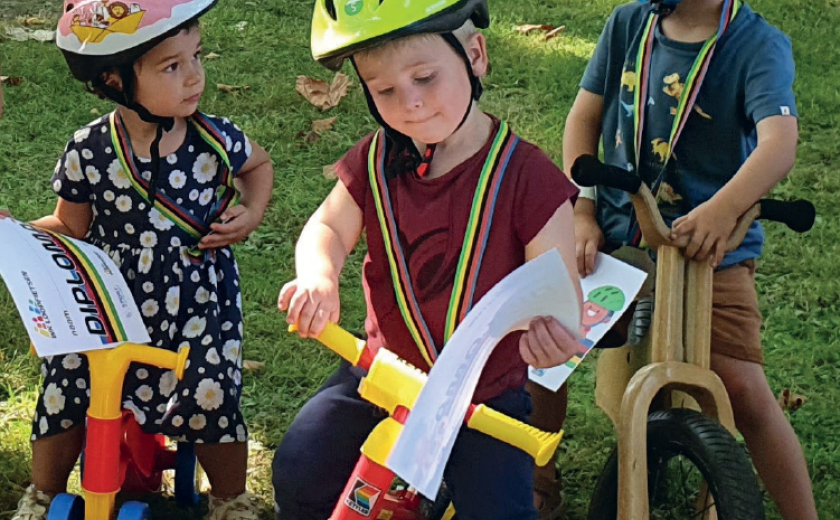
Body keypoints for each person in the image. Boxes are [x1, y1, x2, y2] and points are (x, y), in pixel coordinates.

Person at [271, 0, 582, 518]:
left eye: (425, 78)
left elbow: (558, 292)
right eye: (385, 90)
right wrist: (319, 275)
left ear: (476, 55)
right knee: (301, 467)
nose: (410, 104)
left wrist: (551, 338)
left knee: (498, 510)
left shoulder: (527, 177)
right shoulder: (375, 160)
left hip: (482, 397)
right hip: (382, 376)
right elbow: (327, 227)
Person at [543, 0, 818, 518]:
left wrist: (723, 210)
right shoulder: (627, 24)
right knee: (543, 343)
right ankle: (534, 478)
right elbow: (584, 116)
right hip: (616, 238)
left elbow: (778, 144)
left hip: (709, 253)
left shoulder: (756, 45)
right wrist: (582, 206)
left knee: (742, 387)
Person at [9, 1, 274, 519]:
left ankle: (230, 500)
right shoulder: (89, 149)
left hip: (199, 300)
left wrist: (252, 209)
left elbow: (258, 165)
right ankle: (42, 494)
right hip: (114, 300)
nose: (195, 76)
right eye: (172, 66)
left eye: (196, 57)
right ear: (113, 79)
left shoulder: (214, 139)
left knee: (211, 384)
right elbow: (70, 226)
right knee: (66, 377)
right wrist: (13, 235)